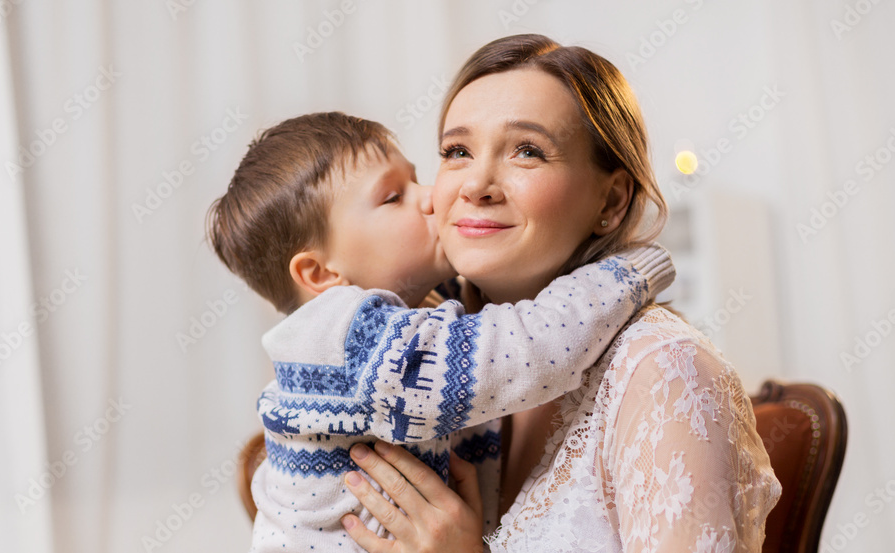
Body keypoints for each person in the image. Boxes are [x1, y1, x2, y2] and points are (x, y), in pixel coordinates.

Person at [340, 34, 782, 553]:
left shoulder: (666, 372)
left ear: (611, 202)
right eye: (457, 151)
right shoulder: (413, 359)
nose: (476, 185)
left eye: (527, 151)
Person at [205, 111, 676, 551]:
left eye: (415, 179)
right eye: (394, 197)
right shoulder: (353, 340)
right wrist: (629, 271)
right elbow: (524, 349)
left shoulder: (380, 326)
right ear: (320, 273)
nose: (431, 196)